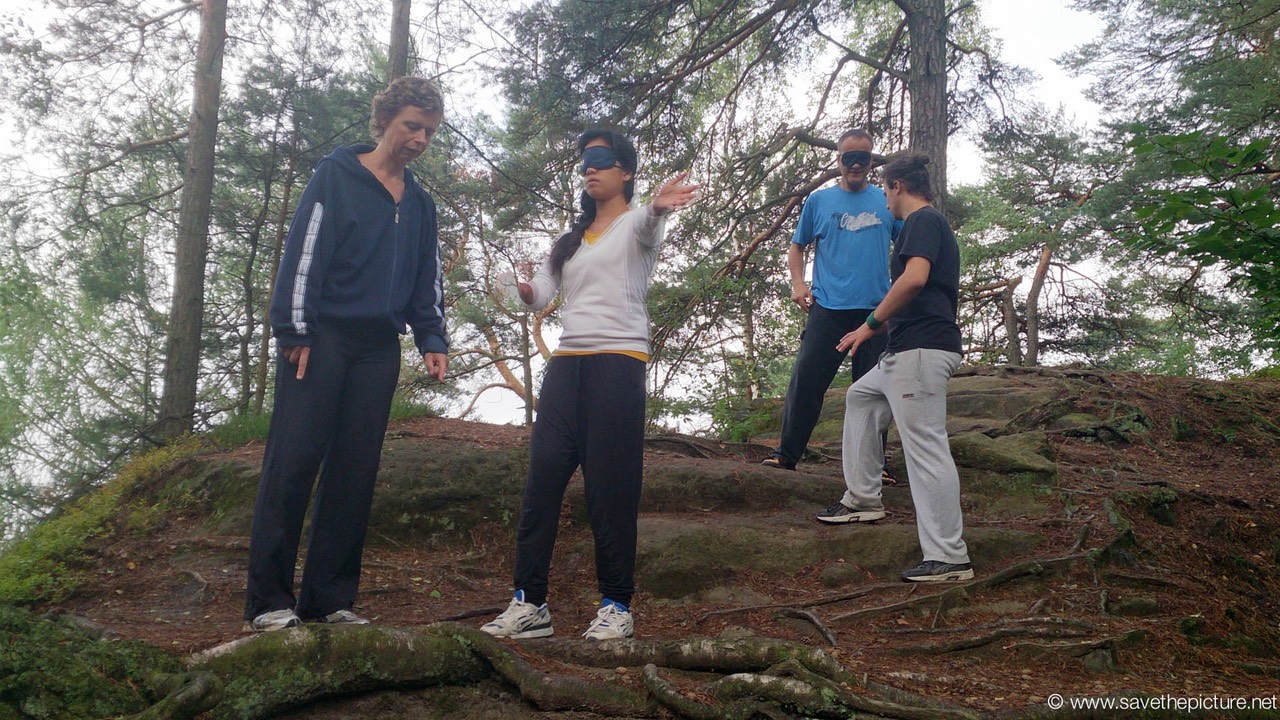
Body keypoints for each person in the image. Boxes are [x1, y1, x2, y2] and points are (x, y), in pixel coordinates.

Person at [243, 76, 450, 631]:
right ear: (385, 120)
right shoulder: (335, 177)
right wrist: (294, 331)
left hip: (378, 349)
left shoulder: (421, 203)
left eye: (429, 131)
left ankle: (329, 598)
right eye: (412, 126)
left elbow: (426, 278)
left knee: (354, 471)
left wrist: (432, 338)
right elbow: (304, 256)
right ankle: (269, 602)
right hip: (322, 339)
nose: (420, 139)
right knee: (294, 461)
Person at [481, 129, 699, 640]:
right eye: (584, 163)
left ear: (625, 171)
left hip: (618, 364)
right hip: (568, 367)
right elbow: (540, 298)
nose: (590, 170)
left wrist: (657, 206)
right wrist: (521, 288)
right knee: (542, 484)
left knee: (611, 489)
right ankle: (530, 602)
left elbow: (647, 223)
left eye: (601, 161)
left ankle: (616, 606)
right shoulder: (569, 241)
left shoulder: (638, 226)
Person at [817, 153, 973, 583]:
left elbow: (914, 278)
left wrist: (868, 326)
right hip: (903, 352)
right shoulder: (921, 224)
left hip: (921, 350)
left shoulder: (923, 221)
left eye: (885, 190)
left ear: (897, 187)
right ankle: (863, 499)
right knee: (860, 398)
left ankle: (949, 557)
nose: (884, 199)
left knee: (925, 446)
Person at [761, 129, 896, 472]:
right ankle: (786, 454)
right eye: (848, 157)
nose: (854, 164)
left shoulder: (885, 201)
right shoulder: (819, 201)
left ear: (870, 161)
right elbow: (797, 245)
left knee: (872, 393)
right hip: (828, 310)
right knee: (806, 382)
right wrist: (797, 282)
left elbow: (909, 246)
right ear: (838, 160)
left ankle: (874, 467)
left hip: (874, 314)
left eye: (862, 158)